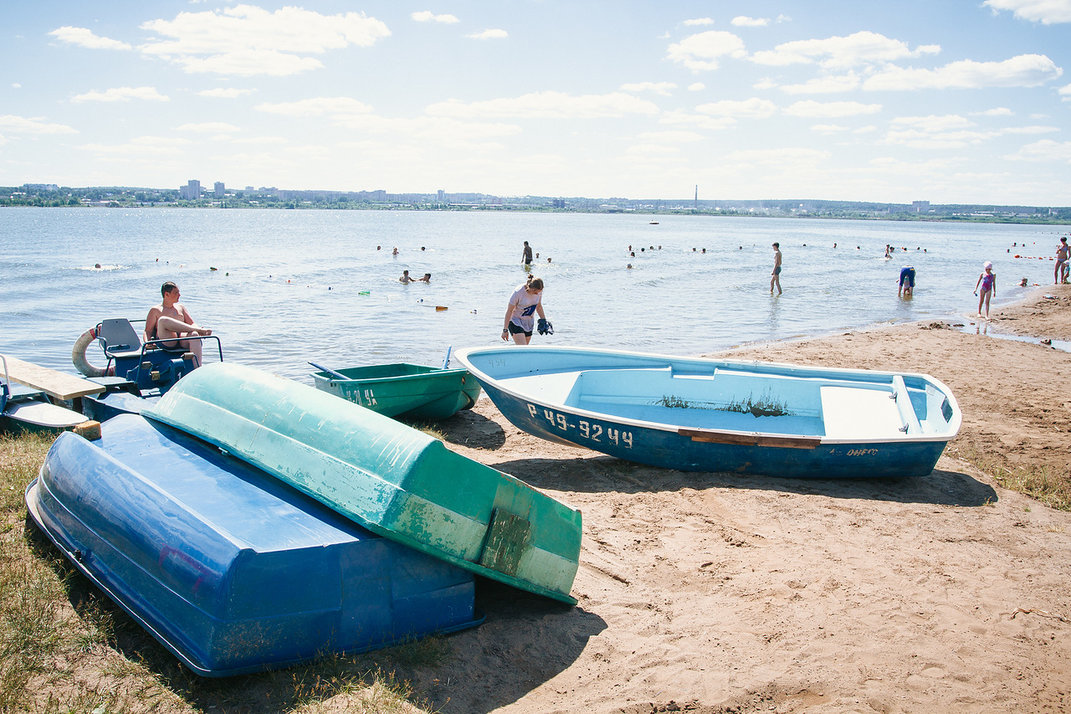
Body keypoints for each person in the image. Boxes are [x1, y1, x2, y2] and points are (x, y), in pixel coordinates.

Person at [144, 281, 211, 366]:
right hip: (167, 340)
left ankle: (197, 368)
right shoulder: (155, 310)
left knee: (194, 334)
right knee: (163, 320)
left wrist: (196, 329)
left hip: (182, 339)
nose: (179, 295)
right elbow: (148, 330)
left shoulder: (181, 307)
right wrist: (147, 342)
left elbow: (191, 323)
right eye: (176, 293)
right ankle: (200, 330)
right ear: (167, 294)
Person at [502, 276, 547, 346]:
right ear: (530, 288)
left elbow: (538, 306)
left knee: (524, 348)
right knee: (523, 347)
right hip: (515, 321)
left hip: (528, 322)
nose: (537, 294)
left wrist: (543, 320)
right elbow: (509, 311)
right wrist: (505, 330)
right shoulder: (518, 292)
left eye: (539, 292)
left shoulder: (539, 292)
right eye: (535, 292)